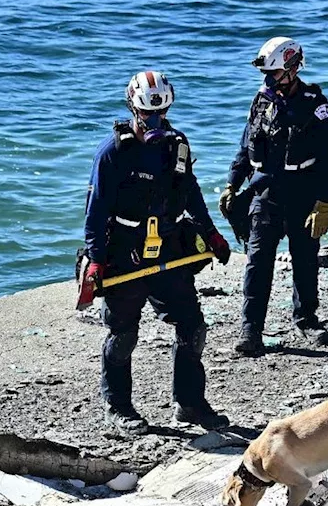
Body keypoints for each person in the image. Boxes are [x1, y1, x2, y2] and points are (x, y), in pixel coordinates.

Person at [80, 70, 232, 435]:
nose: (155, 121)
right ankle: (117, 409)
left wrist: (211, 233)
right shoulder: (112, 153)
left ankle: (190, 403)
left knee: (192, 327)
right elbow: (95, 210)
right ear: (133, 109)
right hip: (123, 253)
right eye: (148, 115)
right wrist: (95, 259)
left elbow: (191, 190)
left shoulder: (176, 147)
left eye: (161, 114)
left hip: (167, 249)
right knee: (123, 334)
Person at [221, 37, 328, 357]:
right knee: (258, 262)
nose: (268, 79)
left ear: (291, 69)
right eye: (267, 73)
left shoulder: (316, 105)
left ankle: (307, 319)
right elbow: (245, 146)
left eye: (273, 73)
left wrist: (324, 201)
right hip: (267, 193)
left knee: (305, 260)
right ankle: (251, 330)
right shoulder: (261, 101)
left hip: (304, 193)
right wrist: (231, 184)